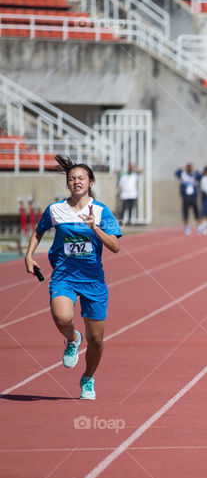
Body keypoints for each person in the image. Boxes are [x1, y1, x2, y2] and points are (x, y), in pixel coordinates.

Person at [23, 154, 122, 400]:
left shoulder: (100, 211)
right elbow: (39, 231)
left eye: (81, 178)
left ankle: (88, 377)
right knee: (61, 315)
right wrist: (29, 256)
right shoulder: (56, 209)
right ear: (67, 183)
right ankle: (72, 338)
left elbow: (115, 247)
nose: (76, 181)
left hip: (93, 280)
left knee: (97, 339)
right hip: (64, 275)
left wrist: (94, 227)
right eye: (72, 178)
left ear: (90, 182)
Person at [175, 163, 200, 235]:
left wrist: (195, 169)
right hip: (186, 197)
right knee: (185, 213)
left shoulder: (195, 175)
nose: (189, 169)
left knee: (196, 212)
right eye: (188, 168)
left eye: (190, 168)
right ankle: (186, 227)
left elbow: (200, 176)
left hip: (193, 196)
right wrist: (182, 167)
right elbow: (176, 173)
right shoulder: (183, 175)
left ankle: (199, 227)